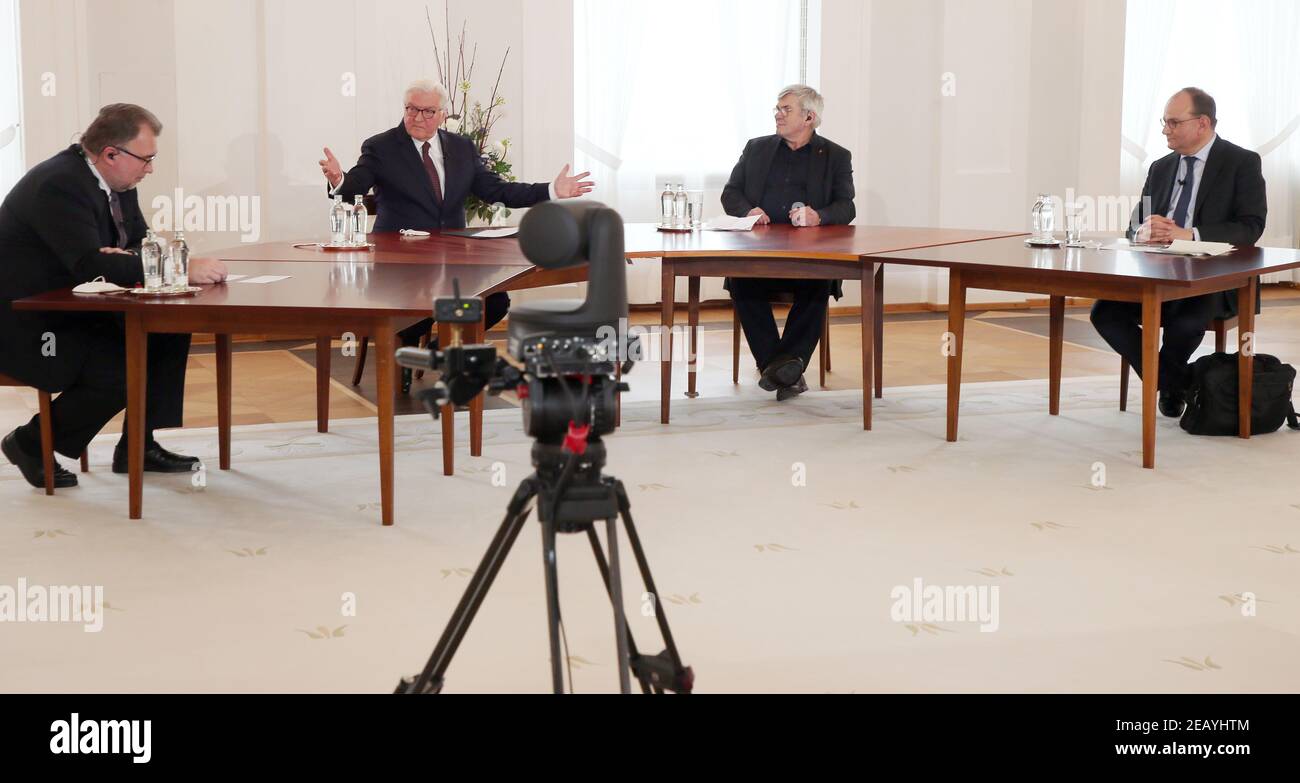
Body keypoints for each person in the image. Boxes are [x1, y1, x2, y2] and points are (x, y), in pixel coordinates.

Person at [0, 103, 228, 489]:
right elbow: (92, 266)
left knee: (169, 327)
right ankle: (29, 442)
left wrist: (121, 259)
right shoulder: (60, 184)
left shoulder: (116, 183)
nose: (150, 168)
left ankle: (139, 446)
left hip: (78, 306)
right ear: (110, 153)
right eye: (147, 159)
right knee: (121, 370)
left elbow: (137, 246)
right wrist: (180, 269)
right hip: (30, 322)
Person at [319, 80, 594, 392]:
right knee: (414, 311)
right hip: (400, 261)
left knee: (493, 303)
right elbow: (356, 184)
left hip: (453, 257)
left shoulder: (462, 147)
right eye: (411, 109)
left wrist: (552, 190)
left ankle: (432, 354)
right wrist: (339, 180)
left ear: (443, 114)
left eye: (427, 111)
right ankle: (407, 354)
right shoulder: (380, 147)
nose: (418, 117)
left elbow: (496, 190)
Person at [1090, 87, 1267, 417]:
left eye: (1173, 122)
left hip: (1215, 275)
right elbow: (1134, 226)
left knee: (1185, 321)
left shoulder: (1241, 162)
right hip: (1157, 270)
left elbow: (1251, 226)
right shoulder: (1160, 167)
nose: (1165, 130)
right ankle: (1179, 382)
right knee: (1104, 313)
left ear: (1202, 123)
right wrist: (1143, 231)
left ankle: (1171, 384)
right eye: (1164, 122)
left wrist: (1189, 234)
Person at [721, 84, 856, 401]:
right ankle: (785, 369)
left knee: (818, 284)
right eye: (777, 109)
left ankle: (779, 368)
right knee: (742, 282)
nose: (778, 115)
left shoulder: (836, 156)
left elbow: (846, 207)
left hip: (809, 255)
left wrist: (817, 216)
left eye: (786, 109)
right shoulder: (757, 148)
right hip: (759, 250)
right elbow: (731, 193)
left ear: (809, 117)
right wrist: (748, 210)